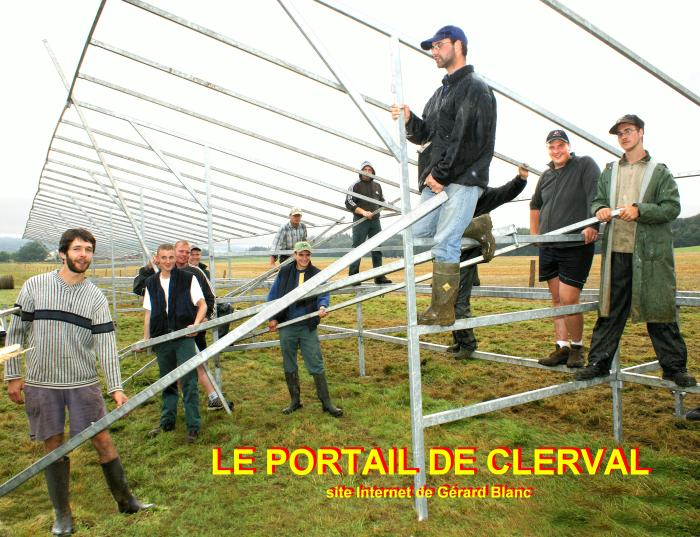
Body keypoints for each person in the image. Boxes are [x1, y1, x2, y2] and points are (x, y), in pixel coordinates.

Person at [4, 228, 152, 536]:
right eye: (77, 249)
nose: (83, 255)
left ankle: (126, 501)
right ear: (63, 253)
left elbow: (106, 345)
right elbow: (15, 333)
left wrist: (116, 387)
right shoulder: (35, 287)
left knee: (102, 440)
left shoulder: (94, 296)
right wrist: (13, 375)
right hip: (42, 383)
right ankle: (63, 516)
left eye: (88, 250)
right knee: (54, 446)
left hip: (83, 382)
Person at [575, 115, 696, 388]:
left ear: (641, 133)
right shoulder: (610, 171)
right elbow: (598, 200)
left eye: (628, 131)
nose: (624, 137)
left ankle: (674, 368)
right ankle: (598, 363)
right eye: (619, 133)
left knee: (659, 310)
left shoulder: (659, 171)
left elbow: (671, 207)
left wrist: (641, 210)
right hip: (617, 251)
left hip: (649, 255)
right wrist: (600, 211)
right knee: (610, 310)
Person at [391, 25, 497, 326]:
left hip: (462, 178)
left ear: (459, 45)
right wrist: (412, 121)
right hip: (437, 177)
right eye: (432, 47)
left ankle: (443, 309)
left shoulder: (475, 87)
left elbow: (467, 140)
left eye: (439, 45)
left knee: (445, 241)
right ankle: (475, 225)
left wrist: (441, 174)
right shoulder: (441, 93)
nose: (434, 52)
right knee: (412, 231)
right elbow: (429, 137)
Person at [530, 129, 600, 368]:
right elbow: (535, 204)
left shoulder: (584, 165)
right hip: (549, 245)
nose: (556, 150)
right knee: (557, 299)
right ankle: (561, 347)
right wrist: (535, 234)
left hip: (574, 245)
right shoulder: (546, 175)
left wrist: (593, 224)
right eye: (552, 146)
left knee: (570, 299)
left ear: (569, 147)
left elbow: (596, 196)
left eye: (561, 145)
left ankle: (578, 349)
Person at [448, 166, 529, 359]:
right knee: (449, 298)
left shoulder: (483, 195)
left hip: (467, 257)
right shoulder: (452, 194)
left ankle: (468, 344)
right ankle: (458, 340)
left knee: (459, 300)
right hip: (450, 254)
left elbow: (505, 192)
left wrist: (520, 179)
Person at [267, 241, 343, 417]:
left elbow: (323, 293)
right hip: (287, 325)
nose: (304, 258)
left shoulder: (317, 274)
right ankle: (295, 401)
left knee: (315, 362)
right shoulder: (284, 272)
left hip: (307, 325)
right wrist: (272, 317)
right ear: (294, 255)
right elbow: (273, 295)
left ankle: (326, 403)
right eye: (301, 254)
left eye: (307, 254)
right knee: (289, 362)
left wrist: (323, 306)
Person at [144, 243, 207, 442]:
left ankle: (193, 425)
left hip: (183, 338)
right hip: (162, 338)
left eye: (171, 257)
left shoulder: (188, 278)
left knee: (189, 381)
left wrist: (195, 325)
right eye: (164, 258)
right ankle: (167, 421)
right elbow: (148, 312)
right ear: (157, 259)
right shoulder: (151, 282)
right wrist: (147, 339)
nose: (168, 261)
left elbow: (202, 304)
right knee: (167, 381)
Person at [174, 240, 230, 411]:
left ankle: (212, 397)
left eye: (187, 252)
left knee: (199, 361)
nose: (184, 255)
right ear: (174, 251)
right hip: (174, 328)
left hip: (195, 325)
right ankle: (183, 399)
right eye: (181, 251)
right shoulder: (165, 271)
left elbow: (210, 297)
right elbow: (142, 287)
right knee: (176, 365)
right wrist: (148, 267)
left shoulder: (196, 272)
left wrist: (205, 318)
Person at [345, 161, 392, 285]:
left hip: (375, 221)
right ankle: (353, 277)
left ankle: (379, 276)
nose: (367, 171)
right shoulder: (355, 185)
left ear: (373, 172)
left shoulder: (377, 185)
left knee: (377, 247)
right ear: (361, 171)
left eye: (369, 169)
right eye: (364, 169)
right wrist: (363, 212)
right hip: (361, 220)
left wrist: (390, 206)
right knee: (358, 247)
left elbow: (381, 201)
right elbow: (349, 202)